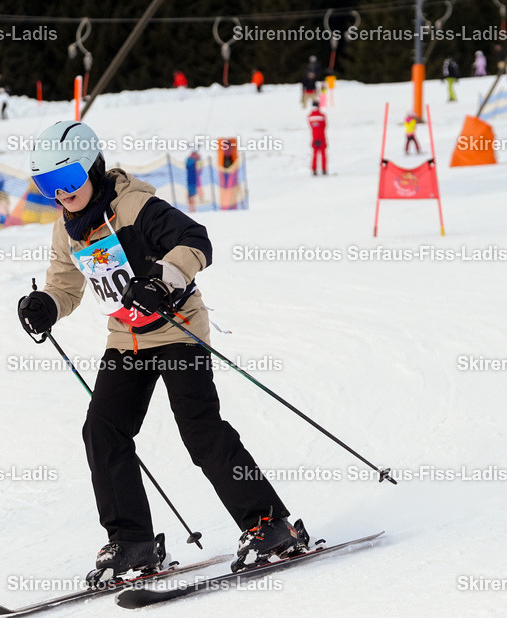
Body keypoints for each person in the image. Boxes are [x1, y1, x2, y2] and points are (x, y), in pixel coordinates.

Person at [17, 121, 308, 580]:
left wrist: (162, 279)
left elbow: (195, 241)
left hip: (176, 329)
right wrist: (46, 306)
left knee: (199, 430)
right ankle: (131, 543)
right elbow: (64, 285)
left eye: (68, 180)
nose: (60, 194)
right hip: (125, 339)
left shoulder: (137, 207)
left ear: (92, 168)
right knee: (102, 431)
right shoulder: (67, 231)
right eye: (47, 185)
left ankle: (269, 525)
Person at [308, 102, 327, 175]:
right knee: (323, 154)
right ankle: (324, 170)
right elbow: (325, 125)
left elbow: (310, 126)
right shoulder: (322, 115)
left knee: (315, 154)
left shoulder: (310, 116)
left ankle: (314, 170)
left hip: (314, 137)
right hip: (322, 136)